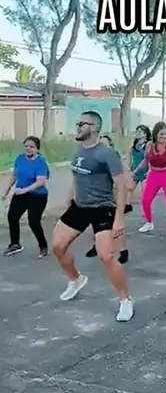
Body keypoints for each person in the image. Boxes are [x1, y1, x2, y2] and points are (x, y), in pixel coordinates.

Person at [52, 111, 133, 322]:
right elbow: (77, 174)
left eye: (83, 124)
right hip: (80, 206)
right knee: (58, 246)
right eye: (78, 123)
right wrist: (71, 193)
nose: (78, 126)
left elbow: (121, 185)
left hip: (102, 208)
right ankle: (76, 279)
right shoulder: (79, 150)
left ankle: (125, 300)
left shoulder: (107, 153)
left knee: (106, 256)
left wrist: (119, 219)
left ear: (95, 128)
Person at [2, 136, 49, 257]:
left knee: (33, 222)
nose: (28, 148)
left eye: (31, 147)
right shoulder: (20, 159)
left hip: (38, 196)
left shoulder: (41, 162)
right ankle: (15, 244)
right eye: (26, 146)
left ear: (37, 149)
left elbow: (40, 181)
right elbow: (14, 175)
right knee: (12, 217)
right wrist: (6, 191)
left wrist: (25, 190)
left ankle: (43, 246)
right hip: (20, 194)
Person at [85, 134, 129, 264]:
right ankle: (96, 245)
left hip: (110, 197)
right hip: (95, 197)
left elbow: (120, 182)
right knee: (95, 222)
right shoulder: (95, 158)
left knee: (116, 225)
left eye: (105, 144)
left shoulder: (113, 159)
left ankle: (123, 250)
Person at [134, 122, 166, 235]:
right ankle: (149, 223)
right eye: (161, 134)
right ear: (155, 134)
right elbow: (145, 161)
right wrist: (135, 172)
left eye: (165, 134)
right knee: (146, 200)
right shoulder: (150, 146)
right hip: (154, 174)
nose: (163, 137)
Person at [128, 125, 151, 202]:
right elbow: (130, 153)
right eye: (137, 131)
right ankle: (127, 205)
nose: (138, 133)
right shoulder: (135, 144)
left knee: (145, 193)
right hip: (135, 169)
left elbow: (148, 158)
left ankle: (147, 207)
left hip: (144, 171)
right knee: (130, 189)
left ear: (145, 134)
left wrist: (150, 171)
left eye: (140, 131)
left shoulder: (147, 144)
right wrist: (129, 166)